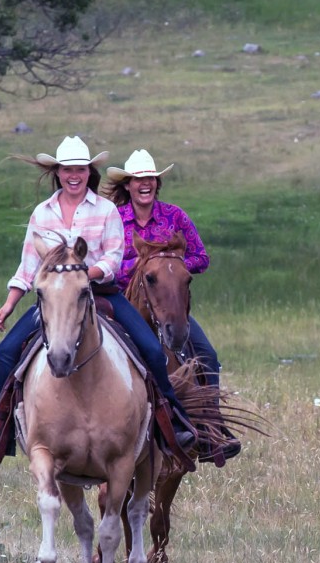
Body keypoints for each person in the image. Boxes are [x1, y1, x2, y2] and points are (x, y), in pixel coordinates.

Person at [0, 136, 194, 465]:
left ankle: (172, 422)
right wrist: (10, 302)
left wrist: (86, 274)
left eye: (81, 170)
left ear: (89, 173)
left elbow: (114, 258)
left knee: (153, 350)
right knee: (7, 351)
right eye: (68, 170)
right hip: (56, 298)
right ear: (57, 173)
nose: (74, 176)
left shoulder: (105, 210)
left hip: (102, 293)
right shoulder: (42, 213)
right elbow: (29, 265)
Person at [101, 148, 241, 460]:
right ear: (127, 185)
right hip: (124, 304)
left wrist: (171, 264)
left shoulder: (175, 217)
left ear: (157, 182)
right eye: (138, 179)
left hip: (169, 305)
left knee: (206, 354)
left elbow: (201, 258)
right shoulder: (114, 219)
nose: (144, 184)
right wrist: (141, 268)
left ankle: (210, 430)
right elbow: (103, 261)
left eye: (149, 178)